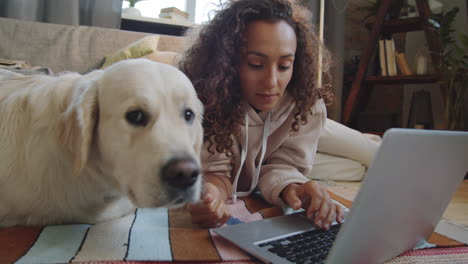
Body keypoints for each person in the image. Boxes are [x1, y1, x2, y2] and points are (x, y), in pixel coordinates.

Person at [179, 0, 344, 230]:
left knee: (368, 151)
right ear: (229, 61)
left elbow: (285, 167)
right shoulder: (206, 99)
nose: (271, 83)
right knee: (351, 165)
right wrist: (212, 195)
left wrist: (294, 188)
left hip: (302, 125)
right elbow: (216, 172)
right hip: (253, 142)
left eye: (285, 66)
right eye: (256, 64)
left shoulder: (307, 105)